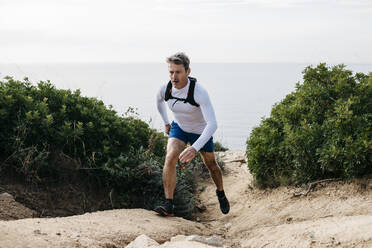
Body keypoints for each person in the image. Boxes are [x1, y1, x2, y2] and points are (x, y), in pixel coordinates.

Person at [155, 52, 230, 217]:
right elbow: (159, 101)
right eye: (171, 72)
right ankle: (169, 205)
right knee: (170, 157)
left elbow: (213, 124)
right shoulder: (165, 88)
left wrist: (194, 148)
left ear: (188, 72)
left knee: (211, 165)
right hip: (179, 127)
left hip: (200, 130)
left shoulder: (199, 92)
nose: (174, 76)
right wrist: (166, 122)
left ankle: (221, 192)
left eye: (178, 72)